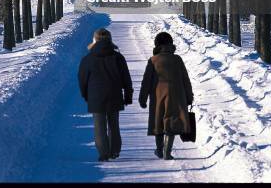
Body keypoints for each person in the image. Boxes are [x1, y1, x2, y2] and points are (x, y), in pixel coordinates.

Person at [78, 28, 133, 161]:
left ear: (95, 40)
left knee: (99, 126)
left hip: (96, 97)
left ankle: (103, 153)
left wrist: (86, 95)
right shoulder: (118, 57)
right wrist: (128, 95)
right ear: (110, 39)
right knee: (114, 124)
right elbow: (126, 78)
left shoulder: (88, 59)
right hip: (115, 95)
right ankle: (114, 151)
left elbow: (82, 80)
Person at [138, 32, 194, 160]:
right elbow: (186, 79)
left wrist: (142, 98)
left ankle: (159, 150)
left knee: (158, 123)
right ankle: (167, 153)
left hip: (158, 97)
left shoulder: (153, 60)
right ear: (170, 44)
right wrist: (189, 97)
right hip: (176, 96)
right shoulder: (177, 59)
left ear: (157, 45)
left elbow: (146, 81)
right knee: (171, 122)